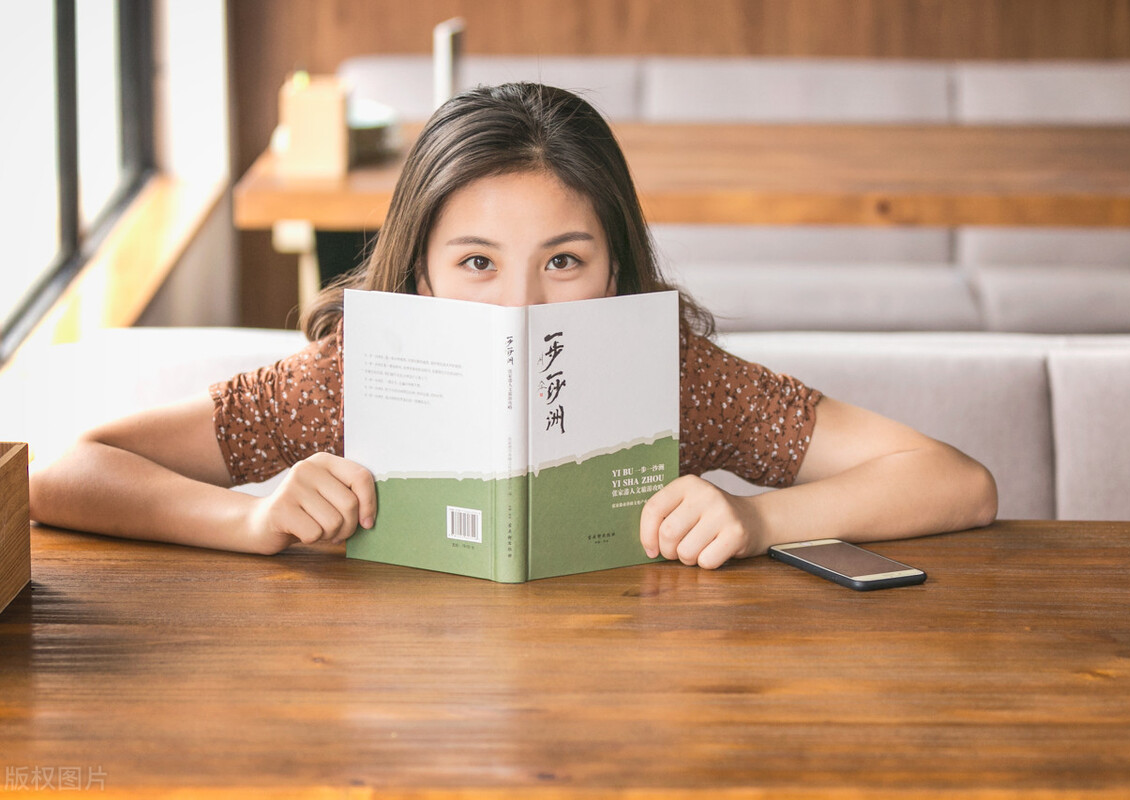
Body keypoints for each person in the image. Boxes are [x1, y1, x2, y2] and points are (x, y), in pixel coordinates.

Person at [30, 83, 997, 568]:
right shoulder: (351, 374)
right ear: (419, 267)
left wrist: (756, 518)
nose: (521, 309)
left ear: (617, 265)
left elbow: (955, 481)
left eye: (565, 262)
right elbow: (59, 472)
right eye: (478, 264)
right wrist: (244, 517)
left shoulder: (674, 373)